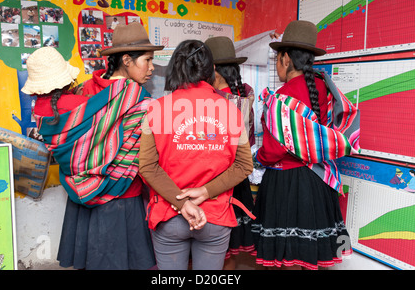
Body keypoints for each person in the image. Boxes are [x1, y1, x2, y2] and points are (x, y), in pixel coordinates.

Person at [22, 39, 161, 270]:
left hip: (79, 192)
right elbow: (113, 119)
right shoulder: (126, 96)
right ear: (126, 61)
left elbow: (91, 129)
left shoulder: (50, 108)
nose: (151, 67)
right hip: (121, 193)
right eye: (148, 60)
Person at [251, 20, 361, 270]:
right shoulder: (324, 86)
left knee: (287, 255)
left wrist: (257, 159)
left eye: (277, 58)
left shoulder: (281, 98)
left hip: (288, 183)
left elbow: (274, 150)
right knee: (309, 254)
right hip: (319, 181)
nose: (277, 64)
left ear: (286, 58)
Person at [138, 39, 254, 270]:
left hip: (169, 215)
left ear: (175, 69)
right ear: (211, 70)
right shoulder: (232, 112)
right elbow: (244, 166)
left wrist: (182, 205)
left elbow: (147, 167)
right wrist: (205, 191)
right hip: (215, 214)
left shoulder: (155, 110)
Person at [204, 36, 256, 269]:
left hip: (213, 181)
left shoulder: (212, 101)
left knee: (208, 248)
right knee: (230, 249)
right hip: (239, 179)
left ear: (212, 69)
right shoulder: (245, 97)